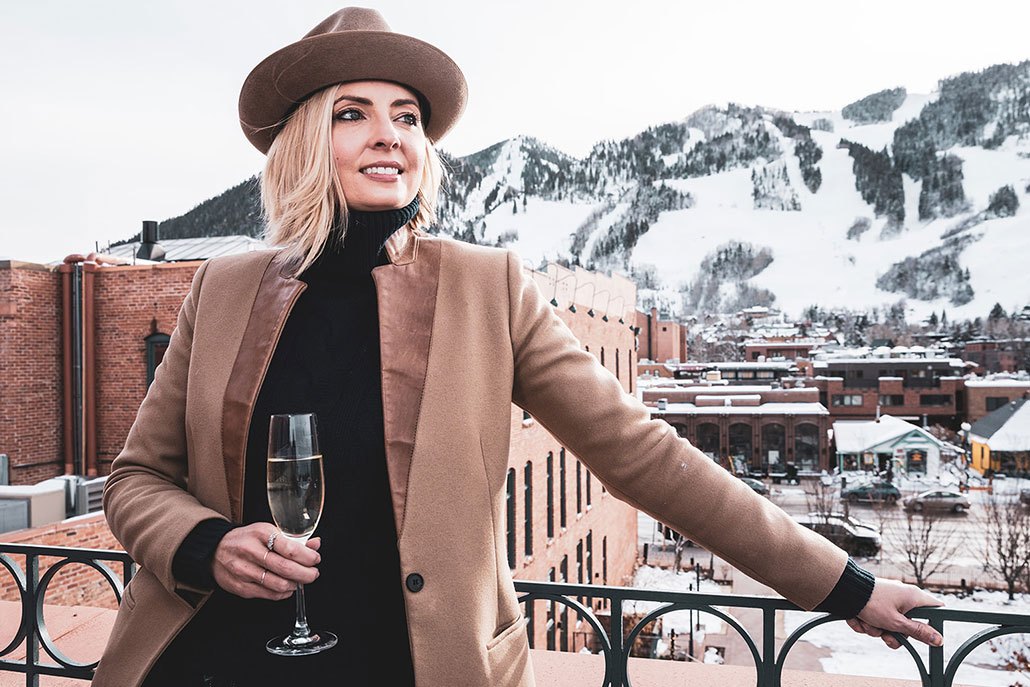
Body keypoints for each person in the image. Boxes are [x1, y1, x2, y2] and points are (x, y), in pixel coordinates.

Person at [96, 7, 944, 687]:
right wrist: (205, 542)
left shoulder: (487, 285)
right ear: (303, 142)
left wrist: (844, 585)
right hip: (213, 660)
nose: (389, 134)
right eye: (351, 113)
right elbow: (136, 479)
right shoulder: (223, 285)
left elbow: (641, 454)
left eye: (406, 116)